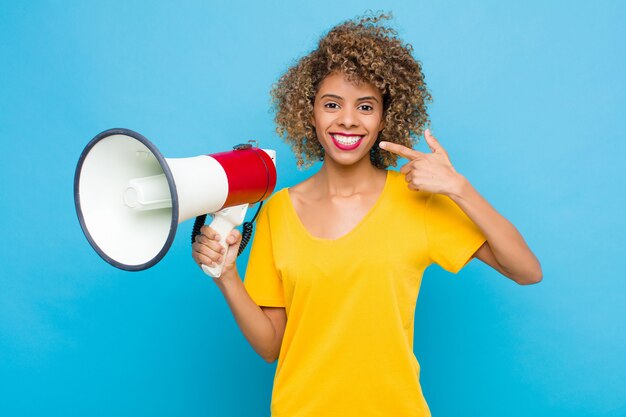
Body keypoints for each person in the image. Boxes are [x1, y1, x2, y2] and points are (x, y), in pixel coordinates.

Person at [192, 12, 542, 417]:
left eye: (365, 106)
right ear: (310, 113)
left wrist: (458, 188)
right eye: (331, 104)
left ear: (383, 119)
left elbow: (527, 270)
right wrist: (227, 277)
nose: (347, 119)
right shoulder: (279, 212)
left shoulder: (416, 200)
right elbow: (272, 346)